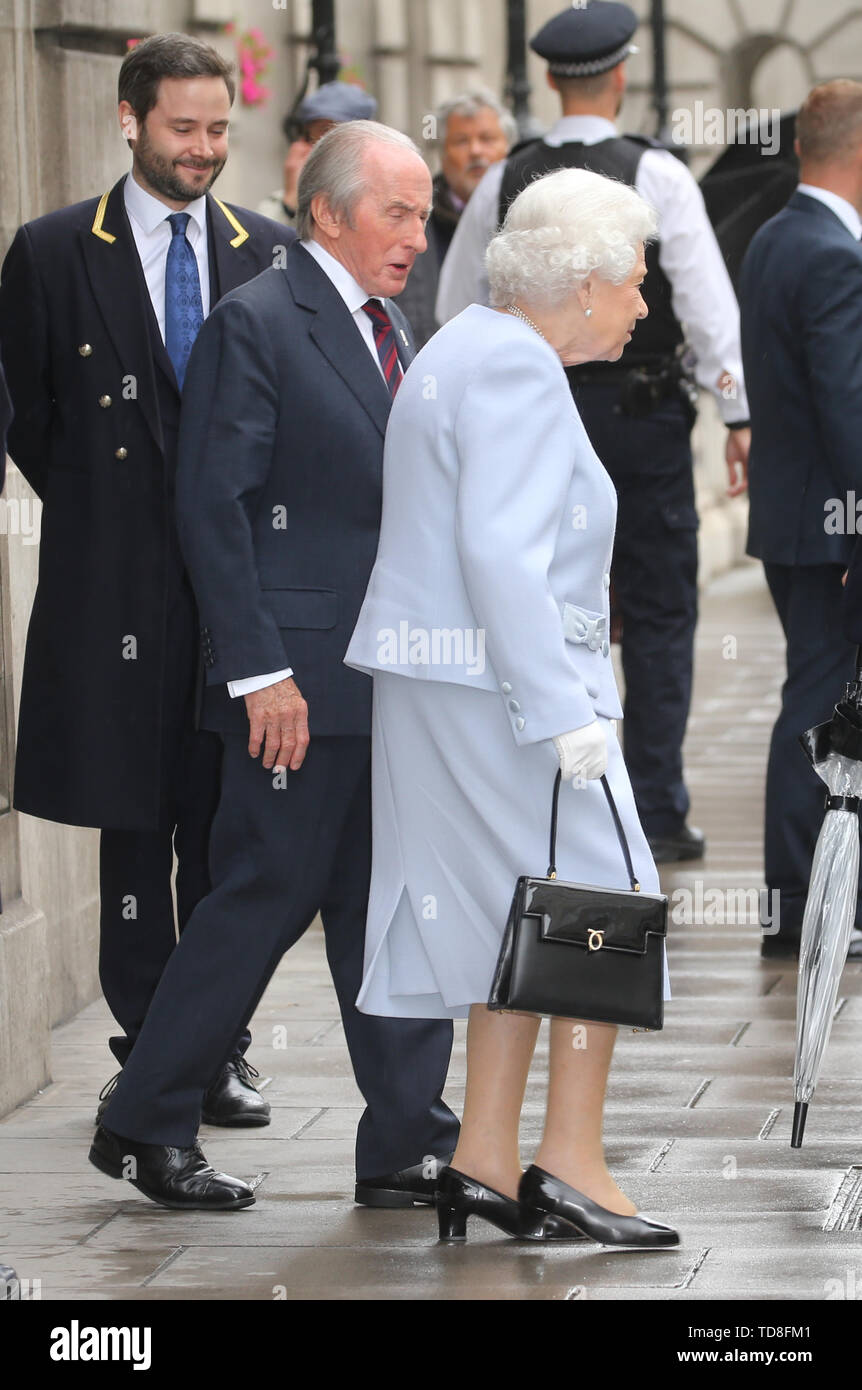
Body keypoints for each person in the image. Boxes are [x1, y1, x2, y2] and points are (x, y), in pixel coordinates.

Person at [89, 121, 460, 1212]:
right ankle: (144, 1120)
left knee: (388, 909)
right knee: (258, 900)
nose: (417, 234)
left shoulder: (395, 322)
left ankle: (405, 1142)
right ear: (329, 212)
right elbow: (213, 505)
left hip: (389, 680)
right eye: (397, 211)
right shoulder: (259, 321)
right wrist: (258, 673)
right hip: (294, 689)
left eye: (424, 212)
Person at [346, 167, 678, 1248]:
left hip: (455, 686)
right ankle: (570, 1162)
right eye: (632, 283)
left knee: (516, 908)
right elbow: (499, 551)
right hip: (505, 694)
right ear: (579, 286)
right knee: (605, 903)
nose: (640, 305)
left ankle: (485, 1158)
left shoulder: (468, 345)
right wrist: (563, 711)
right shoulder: (517, 370)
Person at [0, 33, 290, 1126]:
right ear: (130, 121)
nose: (205, 149)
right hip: (114, 591)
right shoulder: (54, 248)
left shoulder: (266, 252)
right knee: (135, 818)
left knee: (230, 825)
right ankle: (151, 1039)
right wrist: (114, 519)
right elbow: (33, 416)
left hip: (235, 597)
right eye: (183, 129)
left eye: (219, 128)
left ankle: (215, 1041)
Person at [437, 0, 752, 864]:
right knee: (658, 610)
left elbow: (454, 303)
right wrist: (738, 413)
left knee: (540, 599)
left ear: (548, 78)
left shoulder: (507, 179)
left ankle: (551, 783)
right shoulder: (657, 174)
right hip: (643, 419)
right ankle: (653, 802)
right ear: (618, 76)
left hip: (535, 413)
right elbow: (708, 308)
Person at [743, 80, 862, 961]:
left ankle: (806, 903)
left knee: (814, 702)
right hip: (834, 525)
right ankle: (806, 907)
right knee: (818, 710)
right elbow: (847, 405)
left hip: (801, 519)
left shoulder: (779, 235)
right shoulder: (832, 253)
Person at [395, 90, 515, 347]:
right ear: (441, 153)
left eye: (487, 139)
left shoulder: (521, 219)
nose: (475, 151)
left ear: (509, 148)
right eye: (461, 141)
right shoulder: (414, 222)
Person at [257, 81, 378, 226]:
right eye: (318, 135)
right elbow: (263, 242)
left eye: (334, 133)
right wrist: (292, 198)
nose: (323, 147)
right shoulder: (277, 206)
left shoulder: (384, 197)